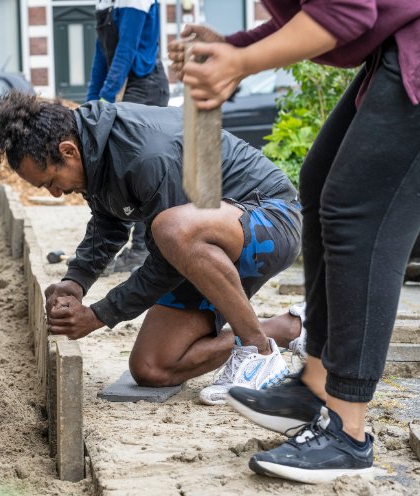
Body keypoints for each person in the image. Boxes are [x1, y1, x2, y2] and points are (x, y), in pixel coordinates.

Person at [170, 0, 420, 483]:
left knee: (359, 214)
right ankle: (317, 385)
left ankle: (348, 432)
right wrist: (233, 47)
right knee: (321, 179)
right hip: (395, 44)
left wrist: (240, 63)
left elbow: (346, 14)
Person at [0, 90, 306, 405]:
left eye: (50, 181)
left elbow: (167, 260)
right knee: (153, 368)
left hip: (270, 221)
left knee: (170, 229)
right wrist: (74, 281)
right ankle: (286, 328)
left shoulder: (147, 154)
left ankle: (259, 354)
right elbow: (109, 222)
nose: (54, 194)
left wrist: (99, 315)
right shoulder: (93, 148)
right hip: (205, 246)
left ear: (68, 152)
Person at [87, 0, 170, 274]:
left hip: (145, 85)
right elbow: (102, 56)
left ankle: (141, 251)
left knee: (138, 173)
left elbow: (126, 50)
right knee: (112, 170)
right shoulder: (104, 3)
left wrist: (106, 99)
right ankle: (108, 247)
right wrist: (90, 105)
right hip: (124, 85)